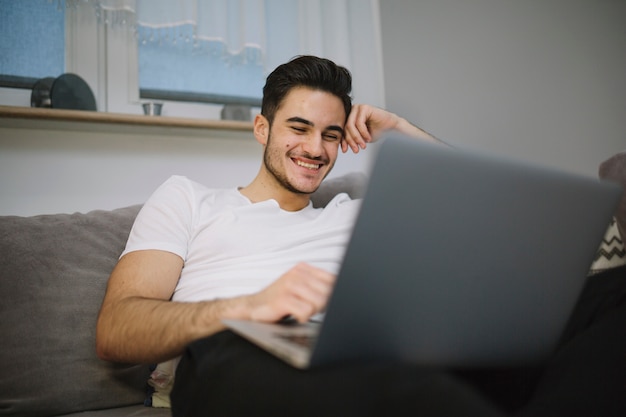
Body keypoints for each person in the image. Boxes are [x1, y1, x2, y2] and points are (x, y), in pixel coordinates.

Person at [96, 55, 626, 416]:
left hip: (379, 351)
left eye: (331, 134)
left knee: (614, 293)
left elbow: (490, 213)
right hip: (238, 353)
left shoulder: (356, 213)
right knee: (407, 391)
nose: (315, 148)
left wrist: (399, 132)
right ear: (262, 129)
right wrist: (250, 306)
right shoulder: (190, 199)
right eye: (298, 128)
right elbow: (117, 330)